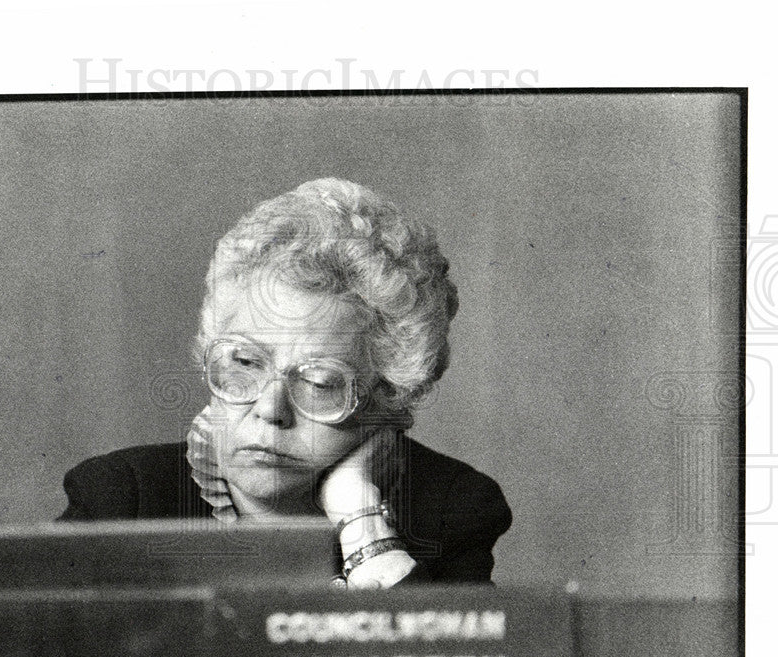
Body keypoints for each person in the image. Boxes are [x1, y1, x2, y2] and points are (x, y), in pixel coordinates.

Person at [59, 178, 511, 588]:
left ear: (386, 396)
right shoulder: (121, 500)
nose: (270, 409)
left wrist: (363, 525)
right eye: (245, 362)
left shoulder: (452, 506)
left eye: (318, 381)